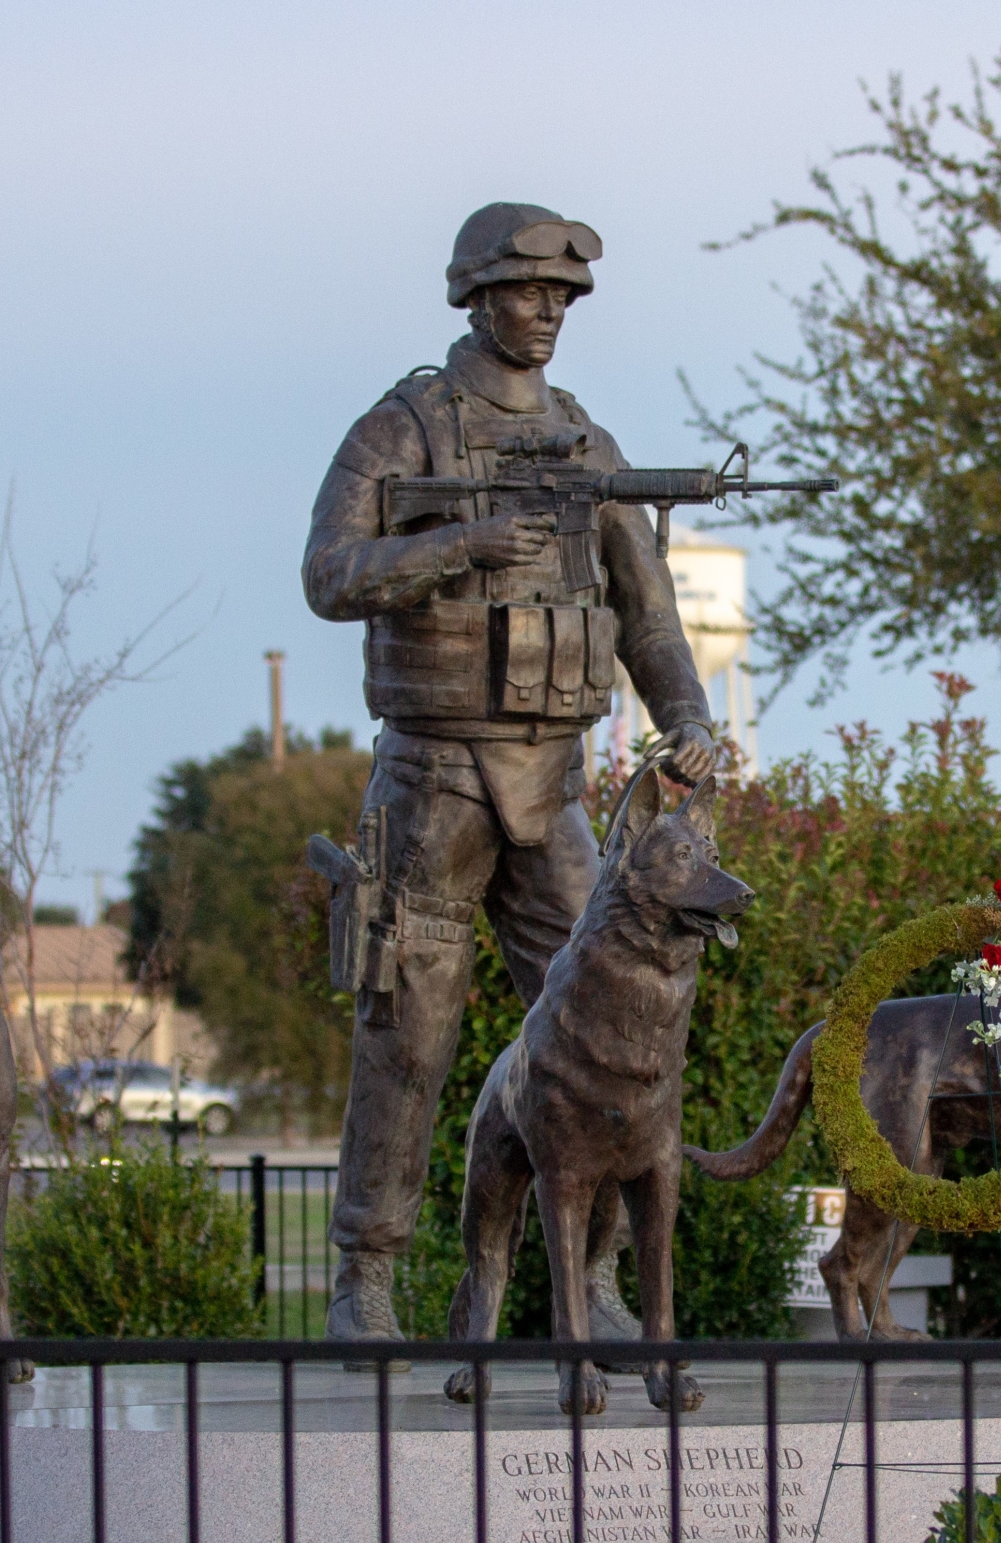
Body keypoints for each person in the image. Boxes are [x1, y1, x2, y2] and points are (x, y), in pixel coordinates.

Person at [303, 201, 718, 1351]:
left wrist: (683, 715)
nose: (548, 314)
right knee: (408, 1037)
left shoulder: (589, 446)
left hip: (556, 786)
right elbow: (329, 571)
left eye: (563, 298)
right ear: (477, 295)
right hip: (432, 780)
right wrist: (456, 550)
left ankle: (591, 1286)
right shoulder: (405, 428)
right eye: (531, 292)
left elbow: (649, 614)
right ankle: (365, 1280)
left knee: (607, 1028)